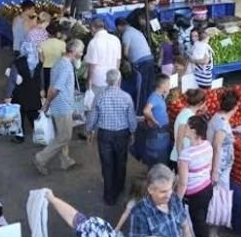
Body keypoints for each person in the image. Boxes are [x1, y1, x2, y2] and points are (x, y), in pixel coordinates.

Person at [122, 164, 200, 237]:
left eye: (170, 189)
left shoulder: (174, 199)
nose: (169, 195)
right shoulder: (139, 213)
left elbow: (186, 227)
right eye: (163, 192)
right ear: (150, 190)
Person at [176, 116, 220, 237]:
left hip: (193, 197)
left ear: (194, 131)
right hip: (206, 190)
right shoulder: (207, 146)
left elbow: (183, 183)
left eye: (187, 126)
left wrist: (176, 201)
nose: (185, 128)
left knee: (198, 234)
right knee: (197, 229)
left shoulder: (186, 155)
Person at [87, 69, 138, 206]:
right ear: (119, 81)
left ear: (106, 81)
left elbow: (92, 116)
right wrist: (133, 132)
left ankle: (109, 195)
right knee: (121, 161)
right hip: (122, 134)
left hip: (104, 134)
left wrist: (90, 130)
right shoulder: (126, 97)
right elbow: (131, 119)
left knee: (107, 163)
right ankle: (119, 188)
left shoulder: (99, 96)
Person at [35, 39, 83, 175]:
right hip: (62, 107)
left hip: (60, 105)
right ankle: (41, 158)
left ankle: (65, 160)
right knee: (64, 136)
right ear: (73, 52)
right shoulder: (66, 66)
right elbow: (55, 89)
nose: (82, 54)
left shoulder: (59, 62)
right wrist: (46, 104)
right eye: (80, 51)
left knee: (61, 134)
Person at [207, 90, 237, 237]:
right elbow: (216, 146)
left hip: (223, 169)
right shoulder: (222, 124)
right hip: (220, 171)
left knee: (219, 205)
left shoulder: (219, 117)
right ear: (235, 106)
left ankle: (216, 236)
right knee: (217, 207)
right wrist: (215, 172)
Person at [4, 40, 43, 144]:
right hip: (34, 94)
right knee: (34, 115)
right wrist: (42, 90)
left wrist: (8, 96)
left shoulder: (18, 62)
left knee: (18, 116)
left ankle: (19, 137)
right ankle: (40, 135)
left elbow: (12, 80)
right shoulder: (38, 61)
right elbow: (40, 78)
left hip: (20, 94)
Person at [136, 74, 173, 166]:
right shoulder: (154, 97)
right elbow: (146, 110)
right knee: (158, 160)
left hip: (161, 134)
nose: (169, 86)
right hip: (157, 135)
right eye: (168, 84)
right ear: (163, 85)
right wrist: (153, 120)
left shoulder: (159, 96)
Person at [84, 18, 122, 103]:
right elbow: (118, 61)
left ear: (93, 28)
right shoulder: (115, 39)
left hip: (99, 79)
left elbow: (92, 66)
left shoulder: (94, 42)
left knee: (97, 105)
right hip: (113, 78)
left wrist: (89, 83)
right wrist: (117, 77)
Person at [122, 16, 157, 109]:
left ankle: (140, 110)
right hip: (150, 59)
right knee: (149, 86)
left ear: (119, 26)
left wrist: (125, 60)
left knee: (140, 88)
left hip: (141, 63)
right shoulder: (136, 31)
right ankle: (150, 107)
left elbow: (125, 52)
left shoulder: (126, 34)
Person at [171, 89, 207, 166]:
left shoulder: (187, 113)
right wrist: (181, 161)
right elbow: (179, 140)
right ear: (201, 103)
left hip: (184, 157)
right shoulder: (186, 116)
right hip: (180, 158)